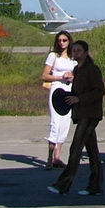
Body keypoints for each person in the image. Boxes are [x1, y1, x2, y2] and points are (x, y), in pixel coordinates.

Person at [48, 39, 105, 196]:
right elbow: (77, 92)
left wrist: (79, 99)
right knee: (92, 151)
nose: (75, 53)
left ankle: (63, 184)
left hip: (90, 114)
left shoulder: (92, 69)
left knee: (76, 148)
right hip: (81, 114)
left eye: (79, 50)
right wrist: (68, 99)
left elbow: (99, 91)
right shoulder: (77, 70)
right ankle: (95, 186)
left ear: (86, 53)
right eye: (74, 50)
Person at [40, 30, 75, 168]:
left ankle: (57, 156)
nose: (62, 43)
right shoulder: (53, 56)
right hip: (56, 89)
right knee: (55, 123)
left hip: (69, 90)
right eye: (59, 40)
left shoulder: (73, 57)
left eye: (64, 40)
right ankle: (49, 157)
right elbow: (44, 75)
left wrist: (72, 77)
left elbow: (78, 73)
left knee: (65, 124)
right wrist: (61, 77)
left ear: (69, 41)